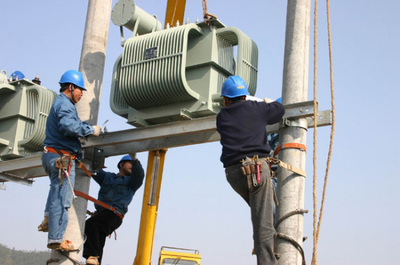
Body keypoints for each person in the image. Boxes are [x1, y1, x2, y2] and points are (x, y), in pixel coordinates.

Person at [216, 75, 285, 265]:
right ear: (245, 96)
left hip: (234, 175)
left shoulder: (221, 117)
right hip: (256, 170)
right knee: (262, 222)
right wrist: (268, 102)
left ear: (226, 99)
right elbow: (279, 110)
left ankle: (272, 239)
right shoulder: (258, 108)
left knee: (261, 215)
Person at [39, 70, 102, 250]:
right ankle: (56, 239)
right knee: (62, 198)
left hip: (52, 154)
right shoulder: (65, 105)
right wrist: (90, 130)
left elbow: (70, 125)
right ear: (71, 87)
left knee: (55, 191)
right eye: (80, 90)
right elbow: (68, 126)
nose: (82, 94)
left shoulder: (61, 104)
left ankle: (48, 218)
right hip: (61, 158)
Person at [83, 153, 145, 265]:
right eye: (129, 163)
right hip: (101, 214)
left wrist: (134, 159)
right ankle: (95, 260)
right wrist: (83, 156)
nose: (132, 165)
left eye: (133, 164)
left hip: (114, 215)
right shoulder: (108, 177)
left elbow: (139, 175)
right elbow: (94, 170)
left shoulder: (132, 182)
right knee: (98, 239)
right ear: (121, 164)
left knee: (90, 225)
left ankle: (92, 256)